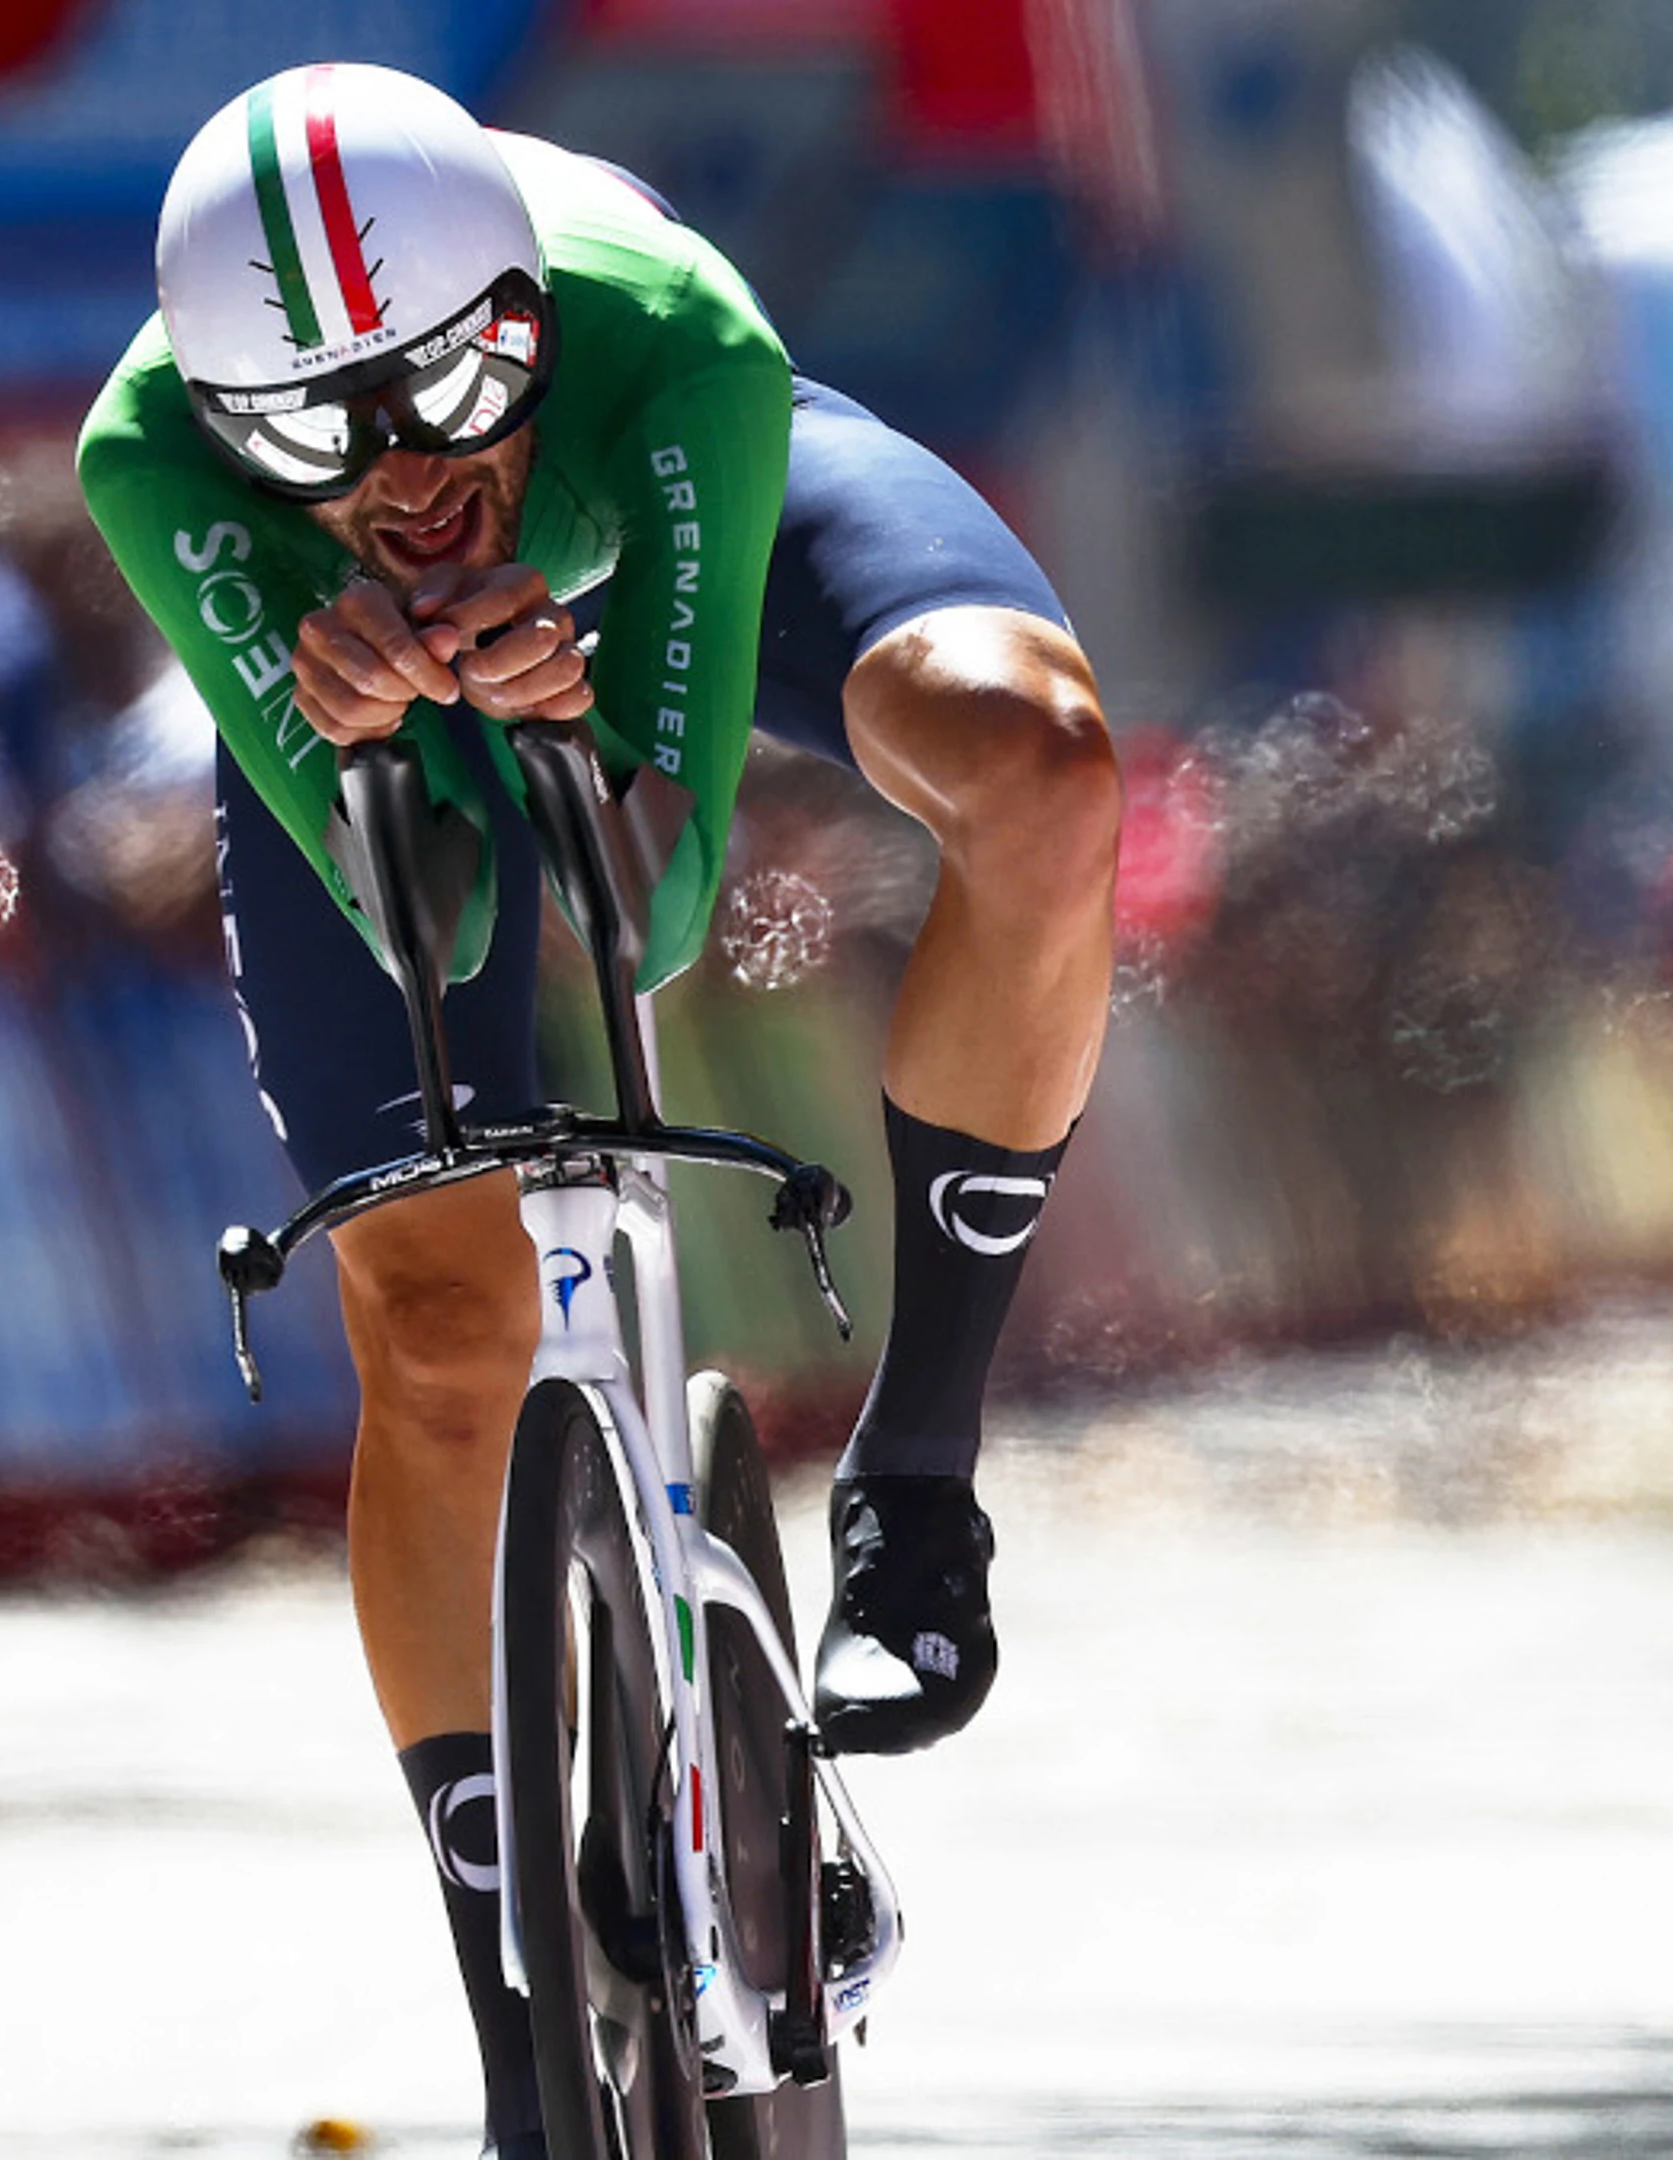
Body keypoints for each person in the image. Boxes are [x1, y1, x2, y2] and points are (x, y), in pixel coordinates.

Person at [77, 63, 1118, 2154]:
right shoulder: (156, 460)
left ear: (527, 325)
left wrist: (570, 697)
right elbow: (436, 907)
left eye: (449, 394)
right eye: (308, 435)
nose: (396, 478)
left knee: (1040, 761)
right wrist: (373, 708)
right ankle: (511, 2028)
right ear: (225, 422)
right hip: (371, 695)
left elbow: (650, 916)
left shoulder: (669, 342)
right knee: (442, 1327)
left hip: (676, 515)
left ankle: (917, 1479)